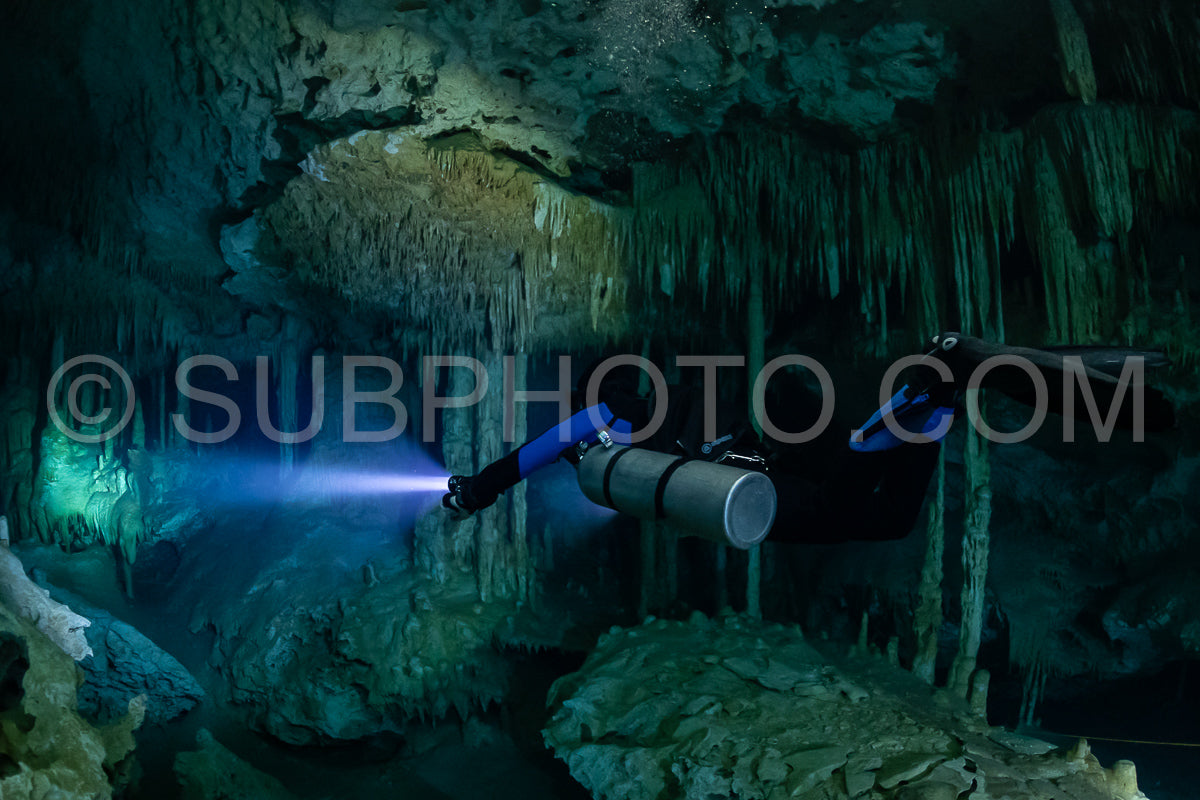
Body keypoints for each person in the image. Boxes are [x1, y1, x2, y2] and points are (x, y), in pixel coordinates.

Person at [442, 332, 1174, 544]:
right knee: (887, 521)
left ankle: (942, 377)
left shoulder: (614, 422)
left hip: (771, 480)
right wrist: (482, 487)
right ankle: (946, 389)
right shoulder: (658, 408)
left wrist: (479, 491)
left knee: (854, 497)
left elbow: (541, 448)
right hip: (779, 457)